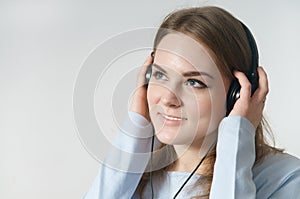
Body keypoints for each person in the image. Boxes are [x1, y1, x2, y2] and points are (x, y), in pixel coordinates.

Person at [83, 6, 300, 198]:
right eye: (160, 75)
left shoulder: (285, 178)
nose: (168, 99)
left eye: (194, 82)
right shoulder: (132, 179)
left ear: (238, 93)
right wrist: (136, 131)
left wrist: (236, 138)